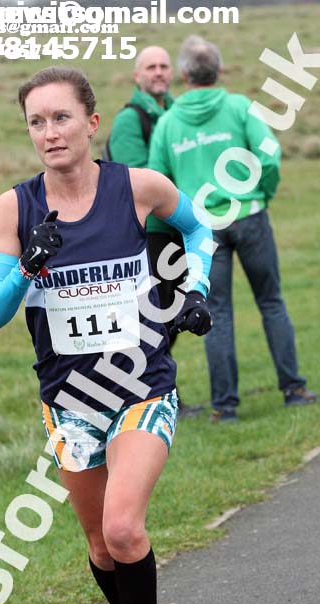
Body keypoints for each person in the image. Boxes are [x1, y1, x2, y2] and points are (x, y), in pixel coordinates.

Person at [0, 67, 213, 604]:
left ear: (91, 123)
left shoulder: (135, 187)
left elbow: (197, 230)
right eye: (36, 122)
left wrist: (193, 288)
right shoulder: (14, 209)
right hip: (69, 402)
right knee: (99, 547)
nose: (48, 132)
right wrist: (28, 267)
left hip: (141, 384)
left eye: (60, 117)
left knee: (121, 529)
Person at [149, 36, 318, 422]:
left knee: (218, 313)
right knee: (271, 302)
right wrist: (262, 194)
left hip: (203, 230)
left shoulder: (168, 123)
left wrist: (181, 221)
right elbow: (270, 155)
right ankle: (293, 389)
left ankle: (225, 407)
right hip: (250, 215)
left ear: (184, 74)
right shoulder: (240, 107)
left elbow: (158, 180)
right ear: (219, 69)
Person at [108, 46, 203, 417]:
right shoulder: (131, 120)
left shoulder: (175, 112)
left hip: (178, 230)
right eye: (151, 67)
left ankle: (159, 393)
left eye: (164, 66)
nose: (159, 72)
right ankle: (155, 397)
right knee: (154, 319)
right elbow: (138, 182)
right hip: (149, 236)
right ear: (137, 76)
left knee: (170, 317)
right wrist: (188, 184)